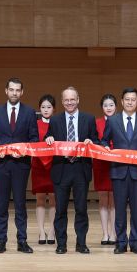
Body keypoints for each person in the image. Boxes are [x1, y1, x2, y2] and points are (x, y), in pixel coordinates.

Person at [101, 87, 137, 254]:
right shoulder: (113, 121)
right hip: (118, 171)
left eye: (133, 100)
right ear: (122, 101)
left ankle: (136, 242)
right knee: (119, 210)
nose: (130, 102)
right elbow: (104, 140)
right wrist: (105, 147)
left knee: (136, 210)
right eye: (127, 99)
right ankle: (120, 243)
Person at [44, 86, 99, 254]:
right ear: (62, 102)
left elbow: (96, 140)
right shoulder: (55, 120)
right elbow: (47, 137)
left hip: (81, 169)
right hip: (61, 169)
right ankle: (61, 244)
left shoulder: (89, 119)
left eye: (72, 99)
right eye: (66, 100)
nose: (70, 102)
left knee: (81, 209)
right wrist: (48, 138)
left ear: (78, 100)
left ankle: (81, 243)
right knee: (60, 210)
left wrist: (91, 142)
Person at [0, 78, 39, 254]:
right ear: (6, 91)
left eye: (17, 90)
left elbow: (34, 139)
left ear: (22, 92)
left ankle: (22, 240)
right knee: (2, 204)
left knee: (20, 204)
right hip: (1, 164)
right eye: (11, 89)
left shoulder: (30, 112)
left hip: (21, 165)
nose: (14, 93)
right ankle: (1, 241)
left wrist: (24, 150)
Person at [31, 94, 56, 245]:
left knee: (53, 198)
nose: (46, 110)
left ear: (54, 109)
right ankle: (41, 231)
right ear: (39, 109)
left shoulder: (58, 123)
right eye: (43, 107)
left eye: (49, 107)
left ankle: (52, 230)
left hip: (54, 166)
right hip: (38, 165)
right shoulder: (34, 124)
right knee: (40, 198)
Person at [93, 94, 117, 245]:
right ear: (102, 107)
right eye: (105, 105)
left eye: (111, 105)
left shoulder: (120, 121)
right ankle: (105, 234)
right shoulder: (96, 123)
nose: (108, 108)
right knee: (102, 198)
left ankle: (113, 233)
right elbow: (94, 140)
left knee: (114, 199)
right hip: (101, 164)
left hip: (116, 164)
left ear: (116, 106)